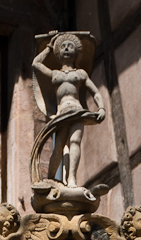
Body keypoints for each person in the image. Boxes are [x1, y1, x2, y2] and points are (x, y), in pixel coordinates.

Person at [32, 32, 105, 190]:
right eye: (63, 46)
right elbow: (36, 64)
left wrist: (101, 108)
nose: (66, 48)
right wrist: (49, 47)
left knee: (75, 142)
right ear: (58, 53)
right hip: (61, 114)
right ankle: (51, 178)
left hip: (77, 111)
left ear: (76, 52)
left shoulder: (80, 74)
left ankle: (72, 178)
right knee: (58, 147)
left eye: (70, 46)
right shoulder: (55, 74)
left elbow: (96, 93)